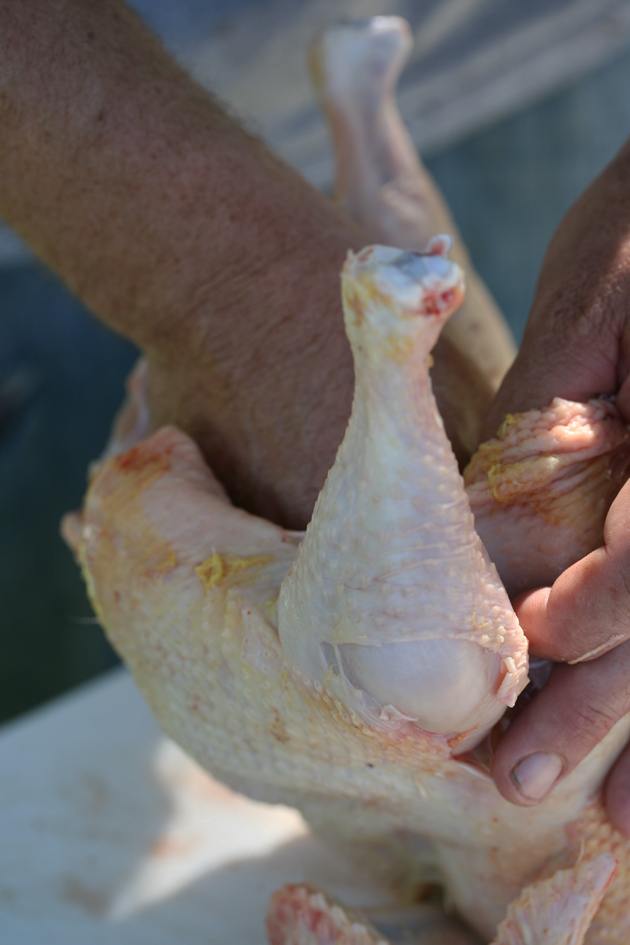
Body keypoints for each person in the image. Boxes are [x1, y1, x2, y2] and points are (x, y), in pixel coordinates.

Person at [1, 0, 629, 835]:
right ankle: (386, 314)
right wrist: (233, 291)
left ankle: (383, 269)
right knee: (438, 683)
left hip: (525, 49)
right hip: (53, 126)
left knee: (485, 437)